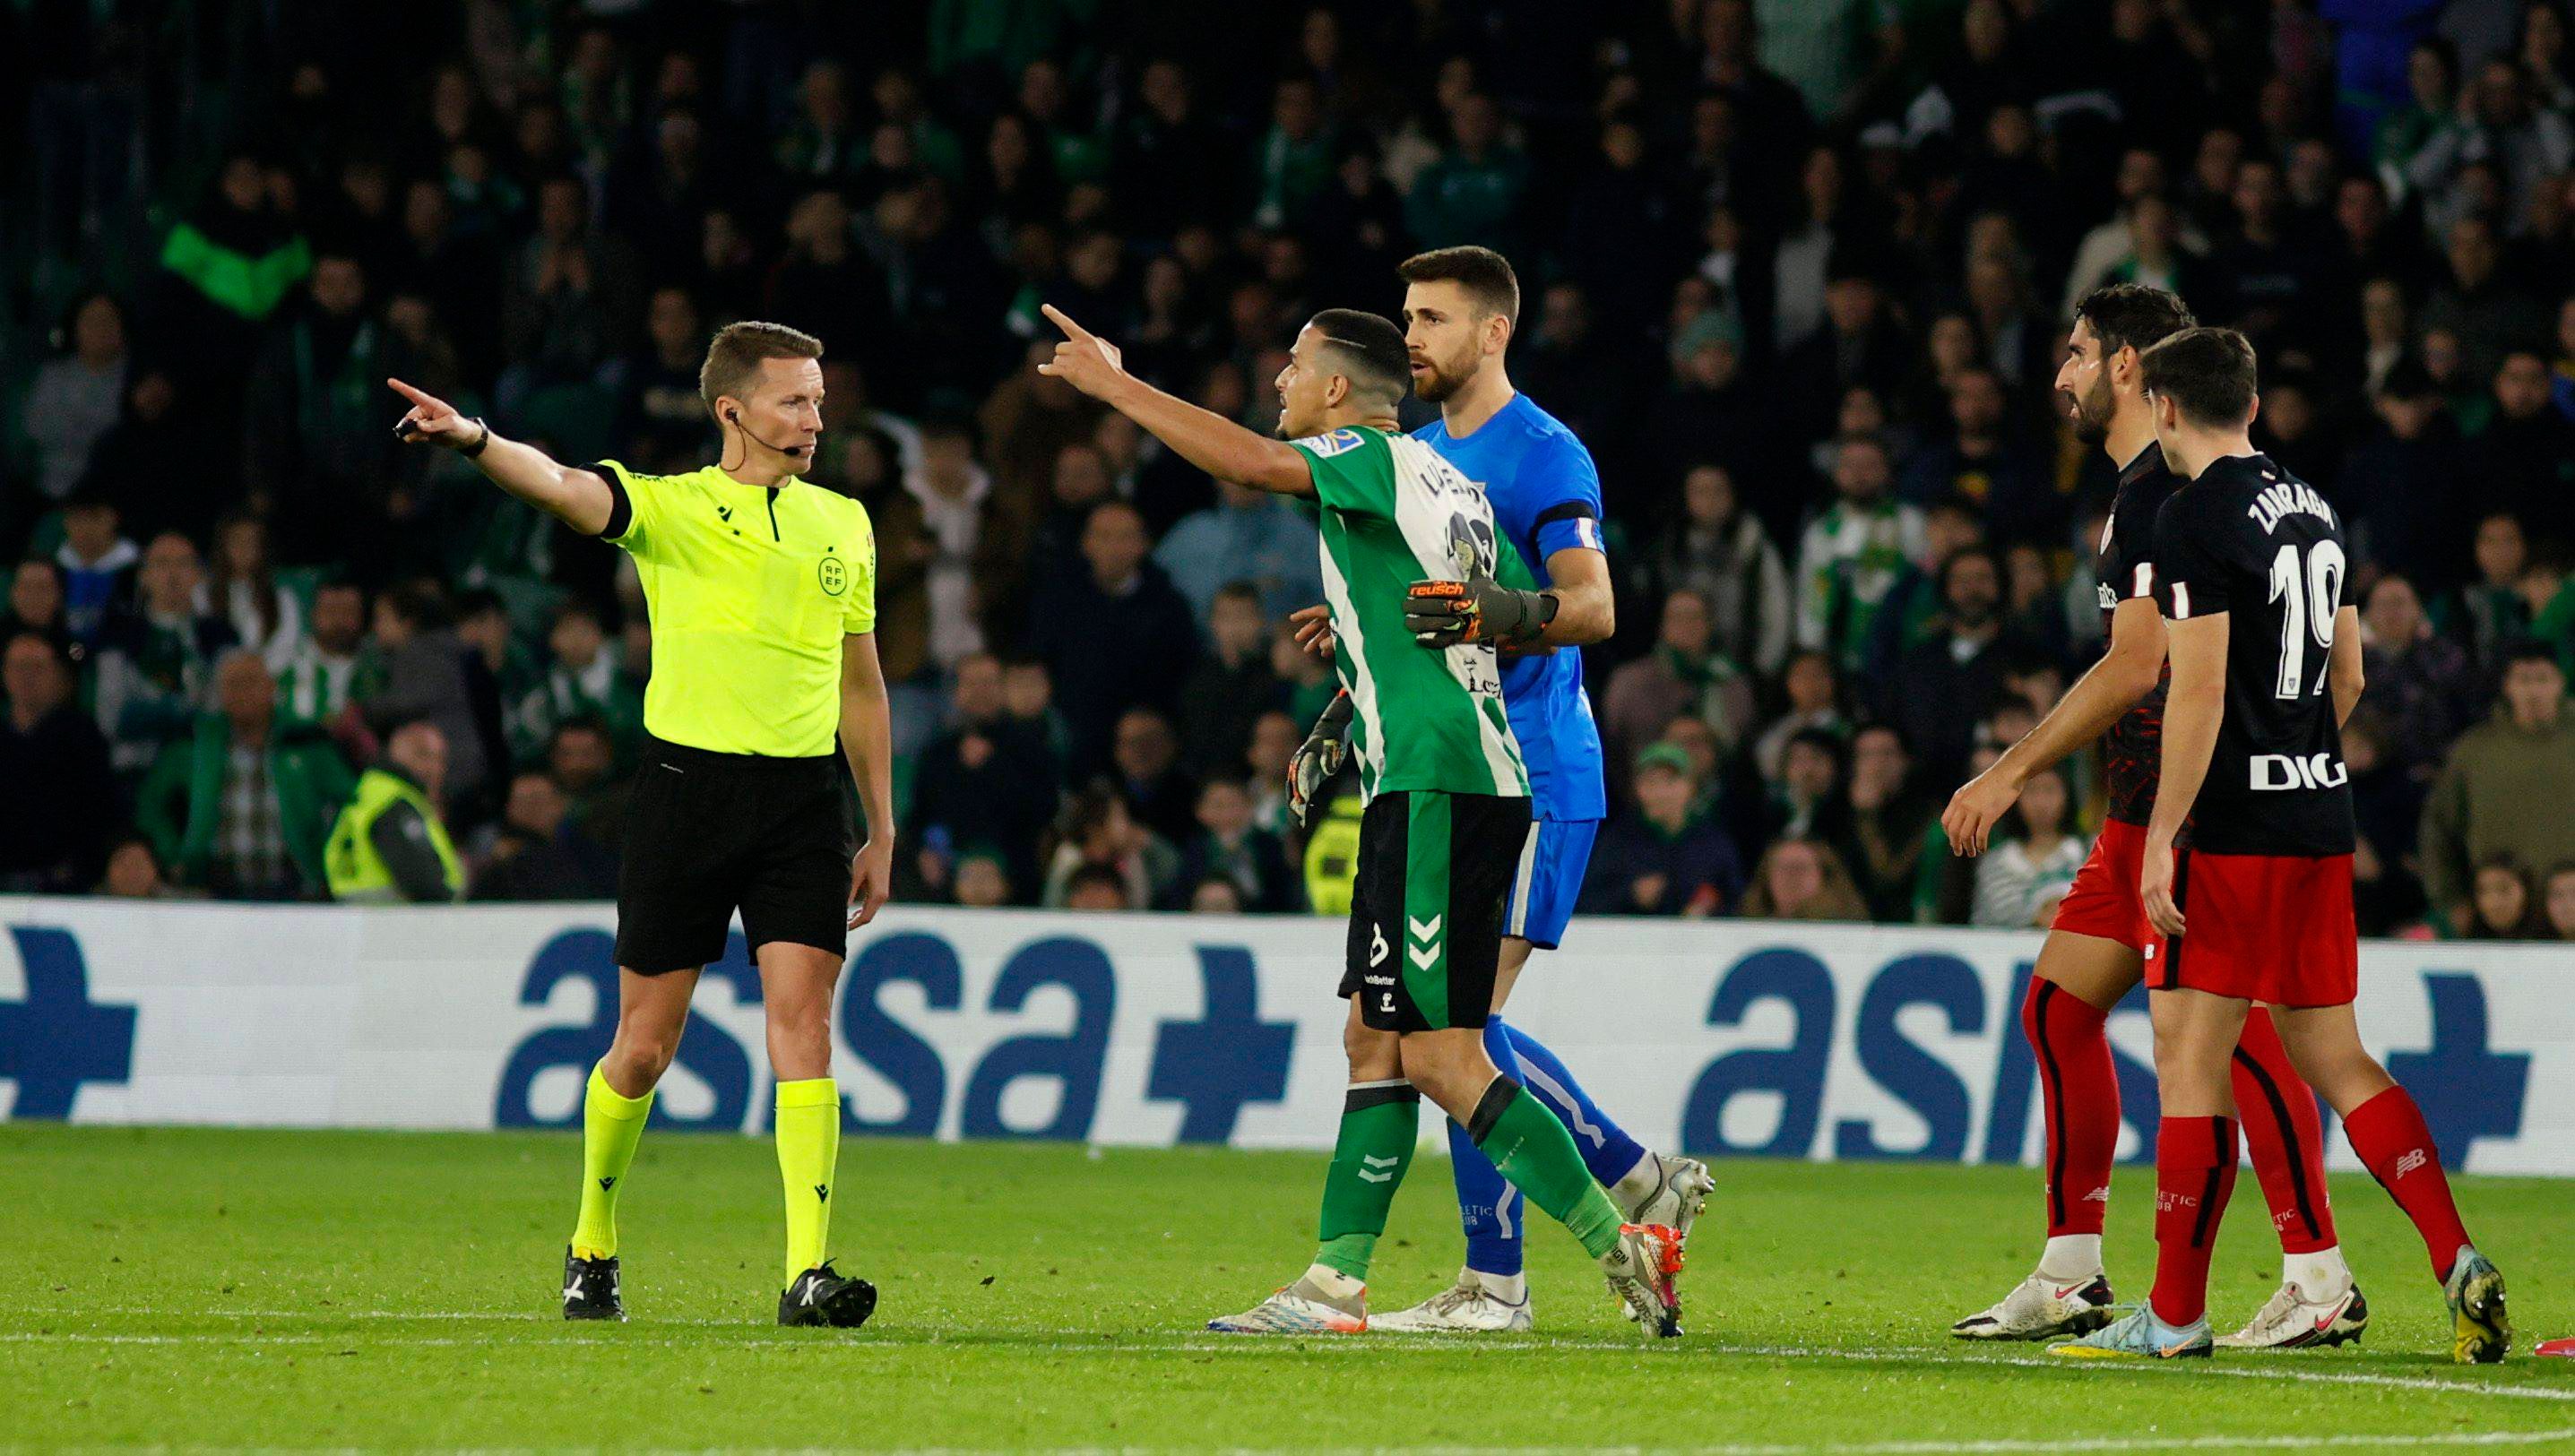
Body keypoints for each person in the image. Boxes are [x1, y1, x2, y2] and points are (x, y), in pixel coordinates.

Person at [1034, 299, 1686, 1336]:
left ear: (1337, 391)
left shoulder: (1371, 456)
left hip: (1439, 780)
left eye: (1293, 366)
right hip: (1434, 774)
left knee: (1438, 1054)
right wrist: (1349, 689)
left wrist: (1114, 386)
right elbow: (1461, 615)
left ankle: (1622, 1239)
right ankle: (1333, 1282)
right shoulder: (1445, 478)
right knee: (1372, 1036)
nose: (1280, 382)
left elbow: (1248, 463)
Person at [388, 317, 894, 1330]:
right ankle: (592, 1241)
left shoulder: (844, 520)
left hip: (802, 804)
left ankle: (806, 1269)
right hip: (683, 795)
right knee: (644, 1046)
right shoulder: (669, 508)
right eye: (794, 399)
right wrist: (478, 440)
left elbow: (862, 684)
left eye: (820, 398)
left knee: (805, 1026)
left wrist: (877, 823)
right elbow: (565, 485)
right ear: (731, 411)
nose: (814, 417)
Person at [2056, 325, 2508, 1365]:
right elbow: (2344, 677)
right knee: (2332, 1052)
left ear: (2163, 408)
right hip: (2317, 817)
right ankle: (2453, 1255)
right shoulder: (2312, 504)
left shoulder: (2188, 516)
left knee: (2187, 1062)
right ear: (2251, 406)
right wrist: (2295, 759)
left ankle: (2171, 1314)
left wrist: (2162, 833)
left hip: (2232, 835)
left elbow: (2198, 688)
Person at [1293, 246, 1712, 1333]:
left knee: (1451, 1035)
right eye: (1405, 317)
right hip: (1442, 765)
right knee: (1428, 1030)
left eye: (1432, 318)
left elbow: (1594, 606)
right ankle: (1624, 1185)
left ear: (1493, 332)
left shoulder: (1543, 452)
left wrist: (1494, 610)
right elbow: (1408, 626)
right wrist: (1341, 692)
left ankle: (1508, 1275)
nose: (1413, 337)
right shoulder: (1419, 450)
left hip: (1527, 770)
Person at [1943, 287, 2346, 1350]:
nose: (2061, 375)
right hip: (2141, 815)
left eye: (2075, 353)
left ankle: (2312, 1271)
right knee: (2060, 1009)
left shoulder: (2162, 496)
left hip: (2187, 816)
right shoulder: (2144, 488)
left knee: (2234, 1035)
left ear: (2129, 366)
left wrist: (2002, 771)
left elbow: (2138, 664)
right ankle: (2073, 1270)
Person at [2417, 641, 2575, 934]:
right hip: (2496, 918)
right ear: (2507, 686)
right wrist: (2451, 899)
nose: (2534, 691)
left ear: (2560, 682)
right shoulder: (2475, 751)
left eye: (2542, 679)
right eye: (2524, 680)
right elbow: (2439, 827)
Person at [324, 719, 464, 902]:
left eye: (440, 759)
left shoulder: (370, 793)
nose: (435, 768)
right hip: (396, 921)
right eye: (423, 755)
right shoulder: (394, 804)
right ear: (398, 753)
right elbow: (423, 882)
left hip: (359, 919)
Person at [1969, 765, 2085, 927]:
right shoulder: (1995, 861)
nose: (2041, 803)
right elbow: (1982, 925)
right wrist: (2036, 917)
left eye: (2050, 790)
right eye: (2031, 791)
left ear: (2068, 794)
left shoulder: (2090, 853)